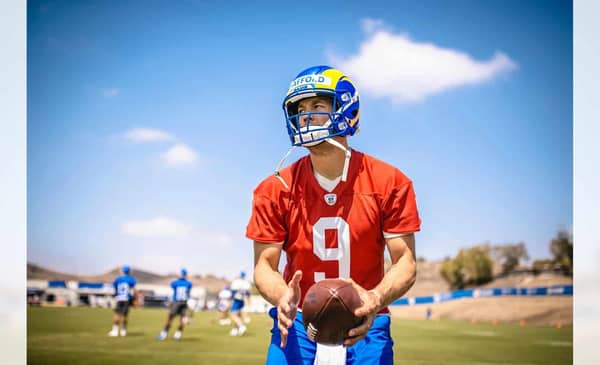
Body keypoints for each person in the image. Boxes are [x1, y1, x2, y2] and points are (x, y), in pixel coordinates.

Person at [248, 65, 421, 364]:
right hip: (298, 322)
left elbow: (405, 262)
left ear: (345, 107)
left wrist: (374, 299)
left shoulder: (390, 182)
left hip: (367, 319)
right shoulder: (275, 188)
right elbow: (264, 266)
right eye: (299, 108)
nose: (305, 115)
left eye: (317, 106)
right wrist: (281, 296)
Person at [157, 268, 193, 340]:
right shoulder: (189, 283)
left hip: (176, 302)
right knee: (182, 320)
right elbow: (188, 293)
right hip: (184, 303)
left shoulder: (175, 283)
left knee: (170, 319)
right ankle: (177, 335)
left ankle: (164, 334)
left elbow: (174, 289)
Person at [108, 265, 137, 337]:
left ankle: (115, 331)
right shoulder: (131, 279)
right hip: (127, 298)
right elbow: (133, 289)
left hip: (119, 298)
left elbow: (115, 288)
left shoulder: (118, 279)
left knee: (117, 314)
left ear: (122, 271)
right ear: (129, 271)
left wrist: (115, 295)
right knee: (125, 315)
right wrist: (134, 298)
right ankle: (123, 330)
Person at [229, 271, 252, 336]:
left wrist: (231, 300)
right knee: (238, 315)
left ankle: (242, 327)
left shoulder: (236, 281)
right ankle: (235, 330)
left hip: (237, 299)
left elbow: (233, 291)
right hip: (243, 300)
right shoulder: (246, 282)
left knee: (233, 315)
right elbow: (248, 293)